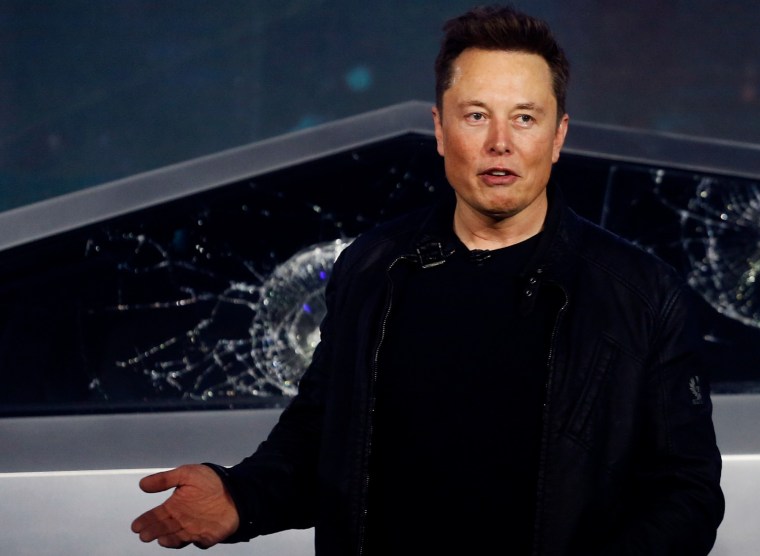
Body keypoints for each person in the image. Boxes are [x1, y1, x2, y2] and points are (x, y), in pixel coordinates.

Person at [131, 5, 725, 555]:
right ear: (440, 131)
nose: (500, 143)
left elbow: (687, 494)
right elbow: (321, 439)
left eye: (524, 117)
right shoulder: (372, 267)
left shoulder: (642, 294)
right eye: (476, 116)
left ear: (558, 136)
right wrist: (240, 497)